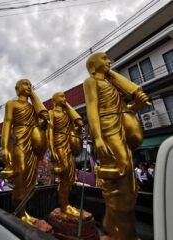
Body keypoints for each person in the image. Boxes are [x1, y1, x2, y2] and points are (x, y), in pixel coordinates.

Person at [83, 52, 150, 240]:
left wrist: (137, 105)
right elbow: (91, 110)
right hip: (107, 130)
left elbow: (123, 110)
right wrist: (97, 138)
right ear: (93, 66)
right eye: (104, 59)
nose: (109, 61)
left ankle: (110, 226)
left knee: (127, 183)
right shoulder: (91, 82)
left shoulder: (111, 84)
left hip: (120, 127)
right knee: (122, 177)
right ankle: (127, 234)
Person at [0, 79, 49, 224]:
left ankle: (23, 212)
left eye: (30, 85)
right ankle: (19, 214)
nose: (29, 86)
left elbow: (41, 124)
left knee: (30, 180)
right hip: (20, 143)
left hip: (32, 145)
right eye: (25, 84)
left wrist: (44, 121)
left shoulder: (33, 107)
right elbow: (7, 124)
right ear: (17, 89)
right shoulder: (12, 104)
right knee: (20, 176)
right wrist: (4, 147)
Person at [48, 92, 83, 217]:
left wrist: (78, 129)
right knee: (64, 175)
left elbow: (76, 127)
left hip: (68, 145)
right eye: (62, 97)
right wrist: (52, 150)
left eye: (65, 97)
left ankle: (65, 204)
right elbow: (50, 132)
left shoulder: (67, 115)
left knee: (68, 178)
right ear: (54, 100)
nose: (64, 99)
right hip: (59, 145)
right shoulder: (51, 113)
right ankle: (64, 206)